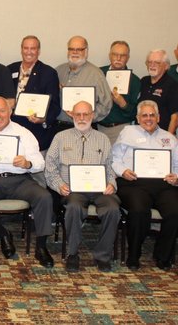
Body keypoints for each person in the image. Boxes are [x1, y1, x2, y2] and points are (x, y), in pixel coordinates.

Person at [0, 97, 54, 268]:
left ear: (10, 112)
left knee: (44, 197)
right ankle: (3, 233)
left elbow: (40, 162)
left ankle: (41, 247)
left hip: (20, 180)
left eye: (2, 111)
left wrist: (27, 163)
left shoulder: (24, 133)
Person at [45, 101, 119, 272]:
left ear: (92, 115)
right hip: (72, 190)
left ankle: (103, 255)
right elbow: (50, 166)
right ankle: (72, 254)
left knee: (113, 209)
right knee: (73, 207)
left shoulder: (103, 139)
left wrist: (111, 184)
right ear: (72, 115)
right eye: (78, 114)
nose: (82, 118)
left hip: (100, 189)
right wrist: (59, 185)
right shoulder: (60, 137)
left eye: (86, 114)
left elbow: (110, 167)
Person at [111, 100, 178, 270]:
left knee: (177, 212)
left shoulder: (169, 138)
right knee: (138, 210)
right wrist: (123, 171)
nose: (148, 118)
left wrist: (177, 178)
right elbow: (114, 160)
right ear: (137, 118)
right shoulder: (127, 132)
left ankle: (162, 254)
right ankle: (134, 254)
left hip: (164, 185)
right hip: (134, 183)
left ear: (158, 117)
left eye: (152, 115)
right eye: (144, 115)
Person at [8, 36, 61, 153]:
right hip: (12, 129)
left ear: (39, 51)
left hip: (36, 131)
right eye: (26, 48)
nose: (29, 52)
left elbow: (55, 105)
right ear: (21, 49)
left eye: (33, 48)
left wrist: (43, 119)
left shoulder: (49, 73)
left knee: (36, 167)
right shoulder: (10, 69)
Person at [54, 35, 112, 131]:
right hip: (58, 127)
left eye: (79, 49)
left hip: (84, 128)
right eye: (71, 49)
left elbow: (106, 104)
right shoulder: (58, 71)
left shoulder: (96, 74)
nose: (75, 52)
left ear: (86, 51)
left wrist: (85, 117)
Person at [98, 41, 141, 144]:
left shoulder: (134, 81)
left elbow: (136, 113)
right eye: (115, 54)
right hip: (97, 128)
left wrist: (123, 104)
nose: (118, 58)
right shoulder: (98, 73)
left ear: (128, 58)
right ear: (110, 55)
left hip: (120, 129)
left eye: (122, 55)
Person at [139, 49, 178, 134]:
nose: (152, 65)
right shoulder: (143, 81)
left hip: (161, 135)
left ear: (166, 66)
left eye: (157, 63)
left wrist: (168, 138)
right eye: (149, 62)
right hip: (141, 134)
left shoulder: (172, 85)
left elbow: (175, 117)